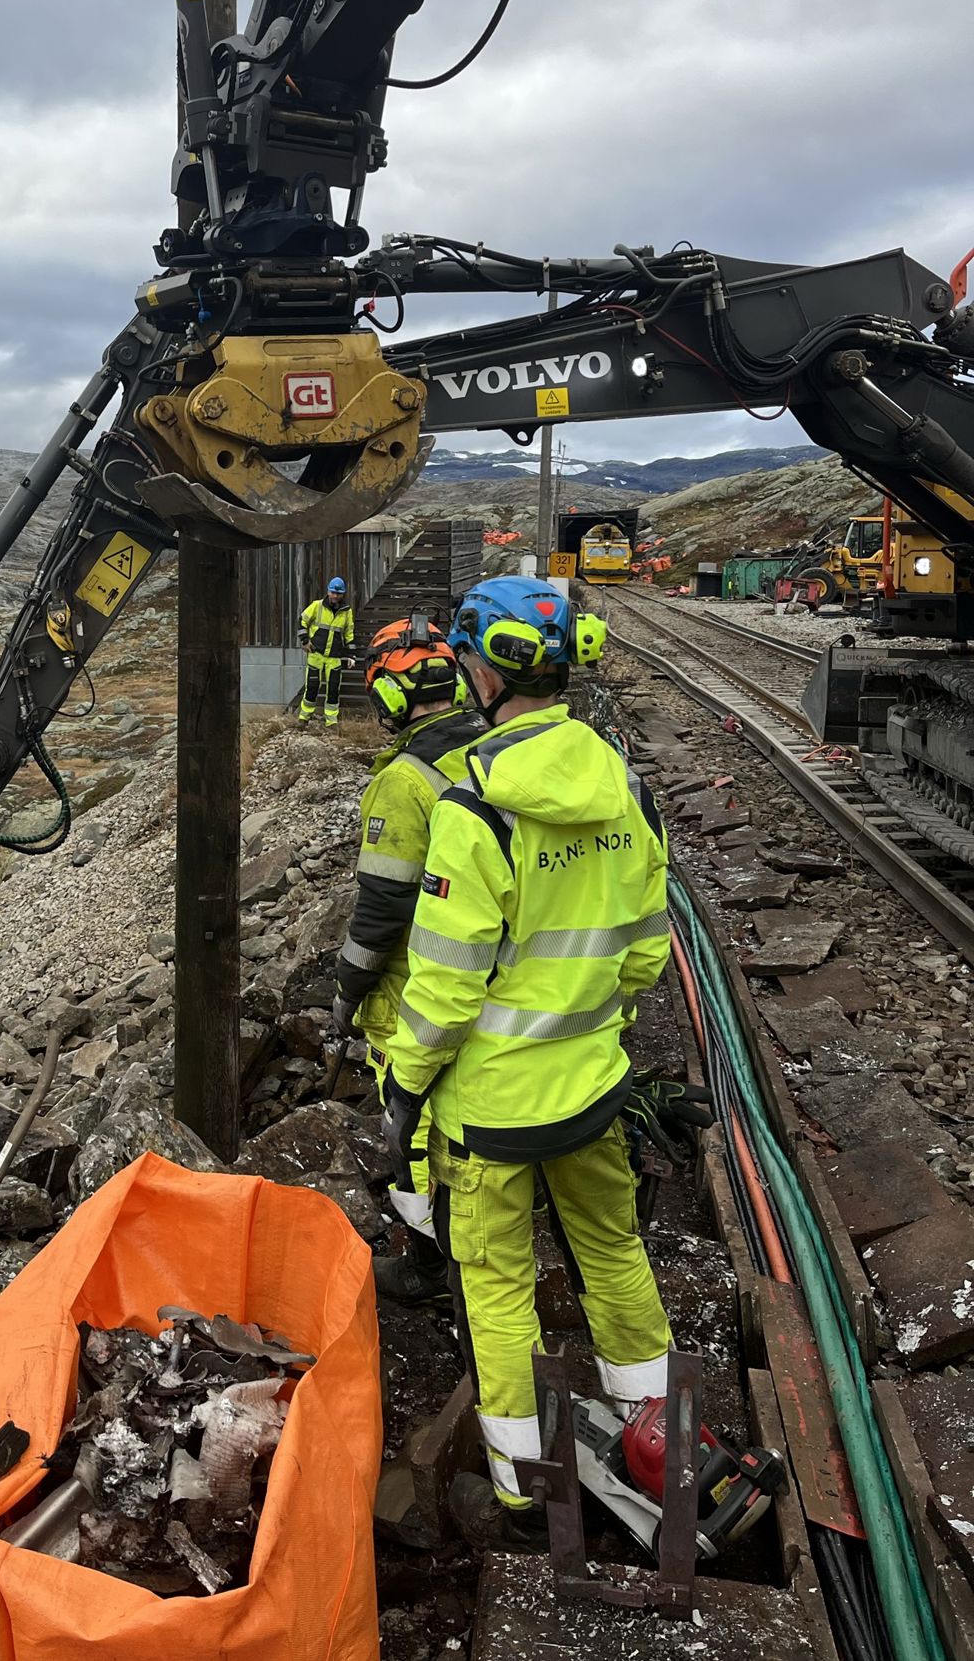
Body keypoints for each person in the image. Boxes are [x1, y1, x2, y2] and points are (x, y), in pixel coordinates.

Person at [379, 576, 683, 1553]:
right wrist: (597, 1024)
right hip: (593, 1087)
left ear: (483, 667)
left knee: (498, 1288)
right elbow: (644, 945)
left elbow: (444, 988)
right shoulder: (620, 782)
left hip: (488, 1115)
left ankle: (523, 1485)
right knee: (613, 1253)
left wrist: (403, 1085)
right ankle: (654, 1430)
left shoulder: (475, 808)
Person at [330, 615, 482, 1304]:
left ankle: (429, 1266)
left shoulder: (404, 782)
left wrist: (346, 987)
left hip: (417, 987)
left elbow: (381, 910)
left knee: (408, 1126)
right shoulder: (487, 748)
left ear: (392, 697)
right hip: (488, 977)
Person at [298, 574, 356, 728]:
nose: (335, 596)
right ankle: (304, 717)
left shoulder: (346, 611)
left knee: (333, 689)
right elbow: (302, 621)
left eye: (338, 593)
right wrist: (305, 641)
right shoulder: (317, 606)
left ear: (342, 594)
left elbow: (349, 633)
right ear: (328, 592)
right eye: (333, 592)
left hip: (334, 657)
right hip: (316, 654)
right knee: (312, 687)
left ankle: (331, 721)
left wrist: (351, 655)